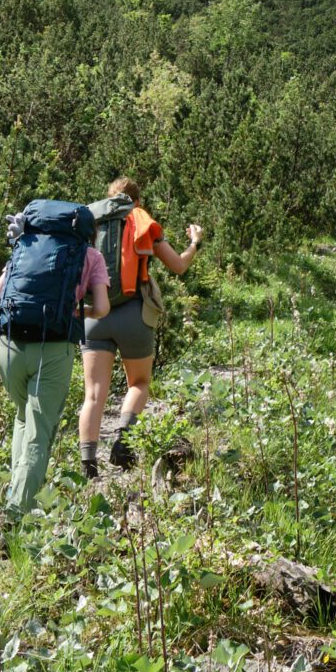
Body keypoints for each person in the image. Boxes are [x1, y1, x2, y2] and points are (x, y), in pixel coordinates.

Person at [0, 207, 110, 520]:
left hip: (7, 346)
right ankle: (15, 515)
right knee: (40, 433)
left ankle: (17, 493)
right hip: (53, 350)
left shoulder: (24, 245)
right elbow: (103, 308)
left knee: (23, 417)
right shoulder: (90, 256)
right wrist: (76, 313)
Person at [76, 175, 205, 475]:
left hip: (94, 314)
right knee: (139, 383)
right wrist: (195, 242)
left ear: (108, 197)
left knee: (93, 394)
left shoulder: (90, 221)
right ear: (137, 201)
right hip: (133, 313)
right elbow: (179, 265)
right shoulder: (142, 220)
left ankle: (87, 465)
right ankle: (123, 441)